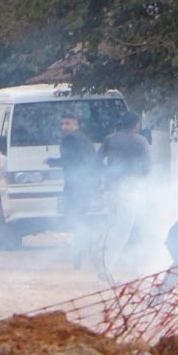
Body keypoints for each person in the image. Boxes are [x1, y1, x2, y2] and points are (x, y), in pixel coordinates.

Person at [97, 111, 152, 280]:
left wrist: (107, 173)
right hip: (129, 190)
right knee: (122, 230)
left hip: (109, 188)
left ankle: (100, 253)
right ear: (136, 124)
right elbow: (148, 167)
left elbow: (96, 161)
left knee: (112, 225)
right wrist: (138, 180)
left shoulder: (109, 139)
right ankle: (106, 267)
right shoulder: (141, 141)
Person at [47, 115, 99, 270]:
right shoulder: (86, 140)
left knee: (75, 219)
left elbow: (69, 160)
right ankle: (86, 247)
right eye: (62, 124)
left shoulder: (68, 140)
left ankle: (82, 249)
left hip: (75, 187)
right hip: (88, 186)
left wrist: (52, 162)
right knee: (80, 218)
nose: (64, 127)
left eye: (67, 124)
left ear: (76, 125)